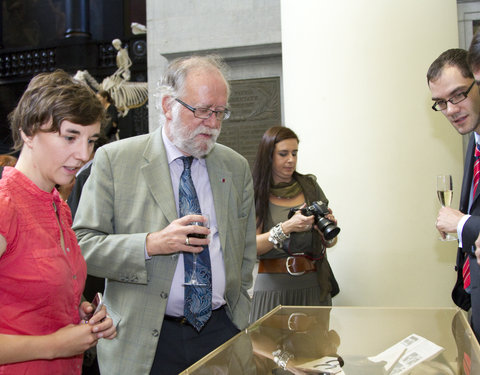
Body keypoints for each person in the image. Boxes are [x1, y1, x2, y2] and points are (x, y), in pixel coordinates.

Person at [73, 55, 257, 375]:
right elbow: (82, 247)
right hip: (144, 340)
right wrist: (151, 244)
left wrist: (237, 316)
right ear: (168, 105)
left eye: (219, 112)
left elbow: (244, 253)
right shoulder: (114, 162)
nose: (212, 123)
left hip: (221, 332)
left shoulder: (235, 167)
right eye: (201, 110)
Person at [0, 70, 116, 374]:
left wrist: (77, 313)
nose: (83, 154)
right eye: (70, 137)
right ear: (28, 131)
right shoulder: (5, 207)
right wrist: (54, 345)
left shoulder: (58, 207)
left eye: (90, 140)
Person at [249, 126, 339, 324]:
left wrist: (328, 231)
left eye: (294, 153)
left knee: (313, 352)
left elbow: (330, 243)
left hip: (313, 286)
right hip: (272, 288)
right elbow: (252, 246)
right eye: (283, 154)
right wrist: (287, 227)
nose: (291, 159)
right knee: (268, 352)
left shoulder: (309, 187)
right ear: (268, 156)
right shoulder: (255, 193)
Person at [427, 48, 480, 341]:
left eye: (458, 94)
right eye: (441, 102)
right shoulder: (474, 140)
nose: (451, 110)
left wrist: (461, 224)